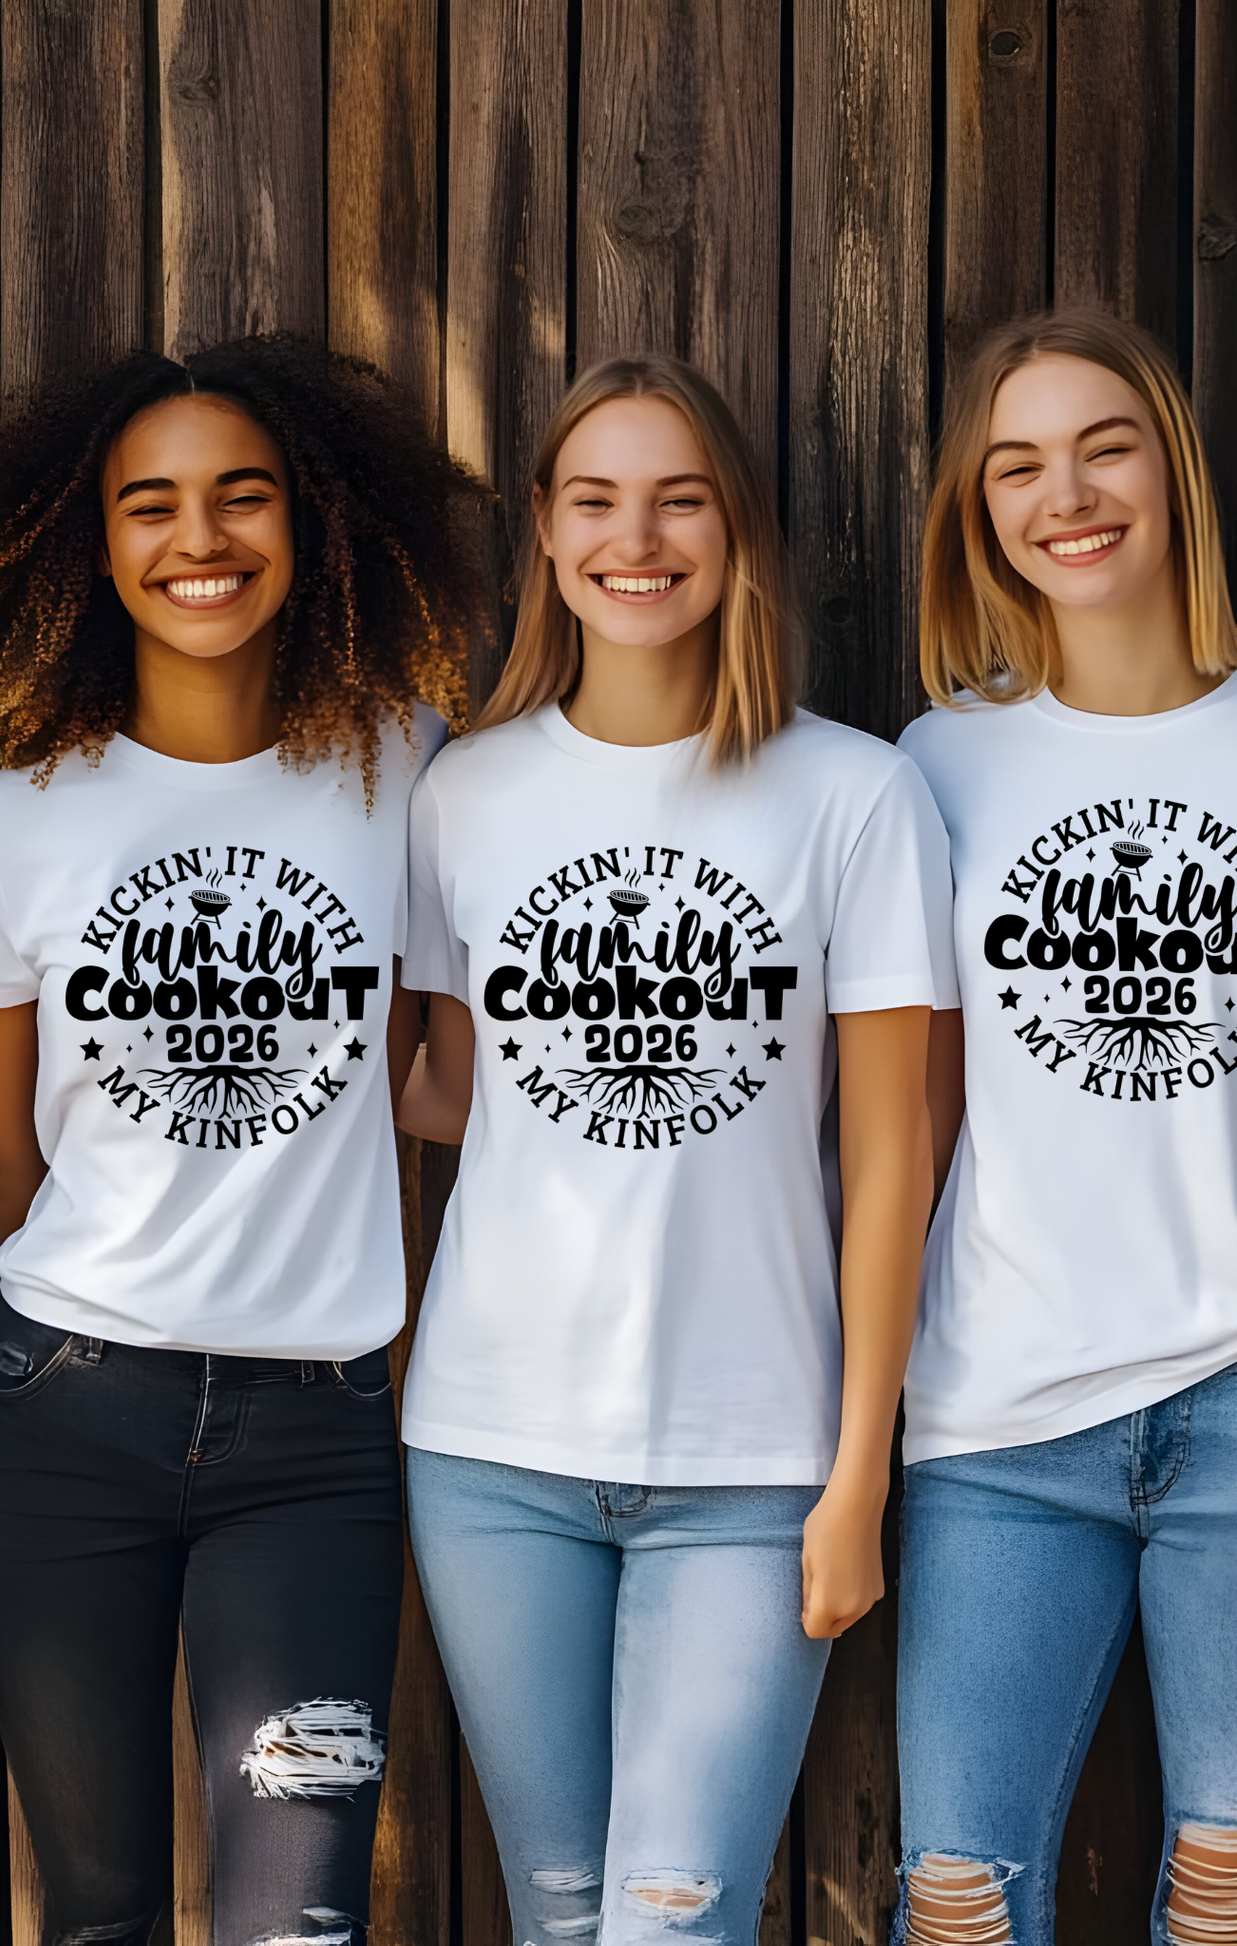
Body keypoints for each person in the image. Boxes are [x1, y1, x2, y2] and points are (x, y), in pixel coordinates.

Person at [0, 338, 485, 1945]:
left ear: (311, 525)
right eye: (148, 504)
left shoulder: (411, 768)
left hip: (315, 1444)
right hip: (57, 1417)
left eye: (242, 496)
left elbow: (435, 1070)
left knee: (296, 1923)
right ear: (90, 545)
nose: (199, 538)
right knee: (96, 1914)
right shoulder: (8, 816)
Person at [394, 354, 954, 1943]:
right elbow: (452, 1088)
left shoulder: (852, 794)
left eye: (678, 498)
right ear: (548, 538)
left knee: (671, 1918)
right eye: (595, 500)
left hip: (754, 1462)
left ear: (734, 533)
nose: (635, 537)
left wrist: (855, 1473)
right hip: (493, 1452)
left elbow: (892, 1153)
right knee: (560, 1911)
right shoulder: (462, 793)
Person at [894, 310, 1237, 1946]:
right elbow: (911, 1124)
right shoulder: (938, 763)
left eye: (1103, 445)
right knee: (959, 1898)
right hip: (995, 1425)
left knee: (1231, 1901)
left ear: (1168, 468)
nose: (1068, 493)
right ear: (978, 512)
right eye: (1017, 463)